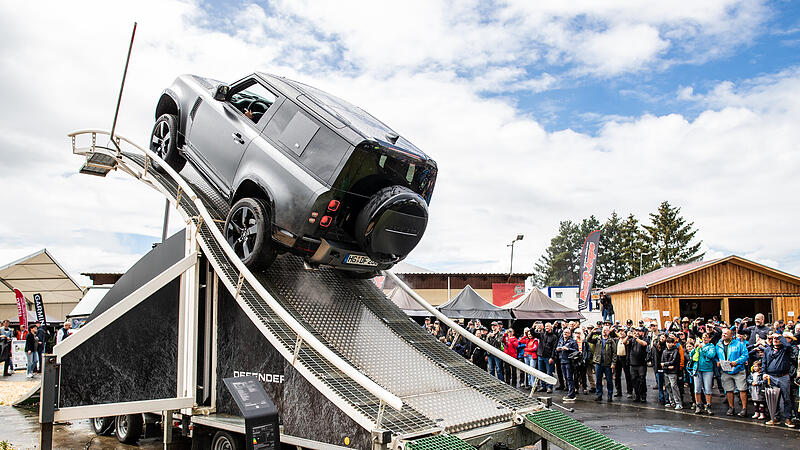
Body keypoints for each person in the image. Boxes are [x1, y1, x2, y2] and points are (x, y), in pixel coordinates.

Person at [762, 332, 797, 427]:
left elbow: (788, 345)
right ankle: (775, 417)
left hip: (783, 376)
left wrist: (780, 337)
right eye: (774, 339)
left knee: (787, 398)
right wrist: (764, 373)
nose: (776, 340)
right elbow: (764, 363)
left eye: (777, 339)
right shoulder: (767, 350)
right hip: (771, 376)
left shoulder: (785, 349)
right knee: (773, 398)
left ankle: (788, 418)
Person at [716, 327, 749, 416]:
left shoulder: (739, 344)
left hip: (738, 369)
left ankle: (744, 408)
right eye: (723, 333)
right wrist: (717, 362)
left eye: (726, 334)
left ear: (731, 336)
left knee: (742, 389)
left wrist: (737, 362)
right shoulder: (719, 345)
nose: (723, 335)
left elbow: (745, 355)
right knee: (728, 389)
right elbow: (716, 356)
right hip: (725, 370)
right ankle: (731, 407)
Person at [588, 325, 618, 402]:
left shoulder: (611, 341)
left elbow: (614, 353)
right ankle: (599, 395)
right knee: (598, 380)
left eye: (606, 330)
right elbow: (588, 339)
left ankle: (610, 396)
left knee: (609, 381)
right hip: (598, 363)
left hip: (607, 364)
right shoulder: (598, 339)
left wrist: (613, 363)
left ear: (609, 332)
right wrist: (592, 332)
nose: (604, 331)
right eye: (603, 330)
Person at [693, 332, 718, 415]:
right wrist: (694, 348)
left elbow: (711, 355)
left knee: (708, 389)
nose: (704, 338)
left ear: (709, 339)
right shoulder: (698, 345)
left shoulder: (711, 346)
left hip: (707, 369)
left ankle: (708, 405)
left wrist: (702, 348)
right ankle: (698, 405)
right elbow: (691, 355)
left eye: (706, 337)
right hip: (697, 368)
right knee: (697, 388)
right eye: (703, 337)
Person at [626, 327, 649, 402]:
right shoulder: (632, 339)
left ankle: (643, 395)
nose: (638, 332)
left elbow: (644, 344)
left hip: (641, 363)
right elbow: (624, 342)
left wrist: (636, 338)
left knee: (642, 380)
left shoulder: (645, 338)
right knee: (634, 380)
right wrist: (628, 336)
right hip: (633, 363)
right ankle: (637, 395)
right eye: (637, 331)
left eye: (640, 331)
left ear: (643, 332)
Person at [556, 328, 579, 401]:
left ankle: (571, 394)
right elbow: (556, 348)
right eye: (564, 332)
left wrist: (568, 349)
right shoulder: (561, 340)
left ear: (569, 334)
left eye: (566, 332)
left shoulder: (573, 341)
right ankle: (570, 392)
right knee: (566, 377)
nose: (565, 333)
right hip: (562, 360)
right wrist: (557, 349)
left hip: (569, 361)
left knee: (569, 377)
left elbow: (576, 351)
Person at [534, 322, 558, 393]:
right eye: (546, 326)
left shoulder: (554, 337)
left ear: (551, 327)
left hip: (548, 357)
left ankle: (549, 387)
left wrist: (552, 357)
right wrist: (533, 327)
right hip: (541, 356)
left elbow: (554, 348)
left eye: (548, 326)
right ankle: (543, 386)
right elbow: (533, 334)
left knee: (549, 373)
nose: (546, 327)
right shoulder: (542, 334)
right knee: (541, 372)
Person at [661, 336, 683, 409]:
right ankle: (672, 401)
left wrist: (666, 364)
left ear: (673, 343)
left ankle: (678, 402)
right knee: (668, 386)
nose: (668, 344)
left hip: (673, 372)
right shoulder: (664, 351)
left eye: (670, 343)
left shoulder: (675, 351)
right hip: (666, 371)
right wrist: (666, 366)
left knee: (674, 386)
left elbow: (674, 361)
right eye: (667, 342)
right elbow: (662, 362)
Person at [614, 328, 633, 398]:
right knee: (617, 376)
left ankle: (629, 391)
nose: (621, 333)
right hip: (618, 358)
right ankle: (618, 391)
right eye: (620, 331)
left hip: (625, 358)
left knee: (628, 376)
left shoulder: (628, 340)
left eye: (623, 331)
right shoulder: (616, 340)